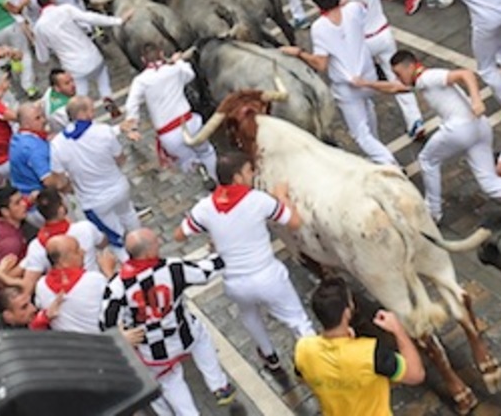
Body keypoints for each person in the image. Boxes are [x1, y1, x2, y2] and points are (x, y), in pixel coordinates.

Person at [175, 151, 315, 372]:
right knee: (298, 321)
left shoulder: (205, 207)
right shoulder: (258, 200)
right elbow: (295, 222)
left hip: (235, 283)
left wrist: (217, 234)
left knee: (249, 315)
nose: (253, 174)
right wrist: (281, 196)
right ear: (237, 177)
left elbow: (179, 235)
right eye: (249, 171)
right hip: (268, 276)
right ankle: (313, 361)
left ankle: (269, 355)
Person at [359, 50, 501, 222]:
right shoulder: (420, 80)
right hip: (480, 127)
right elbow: (394, 88)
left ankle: (433, 212)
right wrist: (366, 84)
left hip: (459, 129)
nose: (397, 78)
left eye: (398, 74)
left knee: (427, 160)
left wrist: (477, 100)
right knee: (488, 180)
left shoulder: (430, 77)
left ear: (410, 67)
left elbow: (466, 74)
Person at [102, 229, 236, 413]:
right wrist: (220, 251)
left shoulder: (116, 287)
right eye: (155, 242)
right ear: (148, 252)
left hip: (154, 352)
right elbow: (206, 272)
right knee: (201, 338)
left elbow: (106, 322)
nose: (159, 243)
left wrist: (121, 336)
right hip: (184, 334)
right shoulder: (172, 268)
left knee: (170, 381)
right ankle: (219, 386)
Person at [281, 0, 398, 166]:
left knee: (361, 134)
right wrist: (345, 1)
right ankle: (380, 155)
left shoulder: (319, 27)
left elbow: (321, 64)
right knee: (368, 109)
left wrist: (299, 53)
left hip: (347, 86)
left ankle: (390, 163)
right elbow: (362, 4)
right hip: (368, 75)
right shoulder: (353, 9)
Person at [294, 278, 424, 414]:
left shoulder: (303, 349)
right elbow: (416, 374)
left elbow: (302, 378)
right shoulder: (370, 354)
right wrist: (398, 330)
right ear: (346, 313)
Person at [332, 0, 424, 140]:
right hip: (383, 33)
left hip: (364, 42)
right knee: (397, 77)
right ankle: (415, 120)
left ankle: (363, 125)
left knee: (360, 83)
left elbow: (342, 15)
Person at [50, 96, 141, 257]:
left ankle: (131, 263)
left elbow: (60, 180)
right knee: (129, 214)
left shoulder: (57, 144)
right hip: (118, 187)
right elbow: (120, 159)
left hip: (94, 201)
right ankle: (143, 245)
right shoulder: (103, 131)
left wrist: (74, 187)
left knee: (116, 238)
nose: (94, 113)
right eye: (91, 110)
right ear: (82, 113)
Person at [121, 43, 216, 184]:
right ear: (161, 54)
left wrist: (133, 127)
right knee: (206, 152)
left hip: (169, 135)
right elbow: (190, 75)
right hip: (189, 123)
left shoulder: (140, 81)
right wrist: (179, 62)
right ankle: (215, 179)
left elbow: (131, 105)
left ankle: (202, 177)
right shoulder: (174, 70)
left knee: (186, 161)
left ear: (143, 60)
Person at [33, 0, 126, 114]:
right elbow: (90, 18)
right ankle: (107, 96)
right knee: (101, 74)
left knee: (80, 91)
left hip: (73, 66)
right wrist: (117, 21)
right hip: (92, 56)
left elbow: (42, 58)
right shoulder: (65, 10)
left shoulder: (39, 27)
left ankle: (82, 111)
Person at [20, 188, 105, 293]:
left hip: (65, 295)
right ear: (61, 209)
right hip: (97, 287)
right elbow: (103, 242)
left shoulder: (36, 246)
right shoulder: (85, 228)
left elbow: (28, 284)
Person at [34, 234, 116, 333]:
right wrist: (109, 271)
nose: (83, 252)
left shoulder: (40, 286)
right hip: (101, 339)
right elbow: (120, 298)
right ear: (62, 262)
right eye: (77, 250)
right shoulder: (95, 279)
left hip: (67, 342)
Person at [41, 68, 75, 135]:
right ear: (57, 88)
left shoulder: (50, 92)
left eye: (72, 80)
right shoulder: (63, 110)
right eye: (67, 83)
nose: (73, 85)